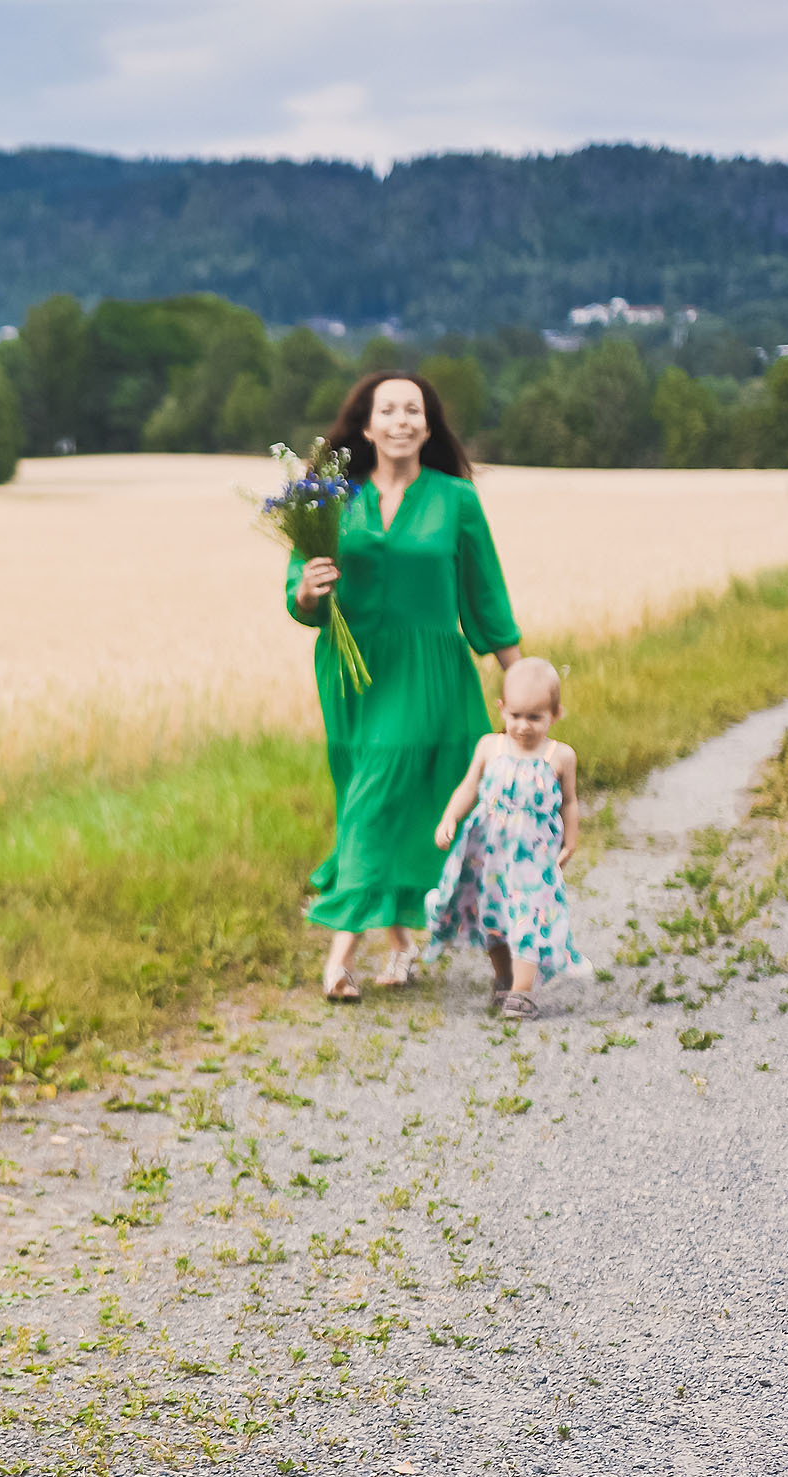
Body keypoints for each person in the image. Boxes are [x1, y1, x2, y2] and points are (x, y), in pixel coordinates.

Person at [289, 370, 523, 1002]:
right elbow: (302, 597)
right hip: (352, 676)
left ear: (428, 425)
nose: (401, 420)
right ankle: (405, 944)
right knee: (371, 798)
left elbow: (485, 593)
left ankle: (342, 959)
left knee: (430, 807)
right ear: (366, 427)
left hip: (433, 676)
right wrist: (306, 591)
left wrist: (520, 675)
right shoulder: (330, 499)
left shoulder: (456, 500)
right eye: (387, 410)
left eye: (413, 410)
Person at [425, 656, 585, 1017]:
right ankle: (504, 977)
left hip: (533, 859)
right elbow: (469, 787)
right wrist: (449, 817)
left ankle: (523, 992)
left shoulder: (560, 756)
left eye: (535, 717)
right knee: (492, 916)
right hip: (489, 856)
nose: (523, 726)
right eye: (515, 716)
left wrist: (571, 841)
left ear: (556, 714)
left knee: (530, 916)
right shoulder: (490, 747)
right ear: (501, 708)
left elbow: (570, 802)